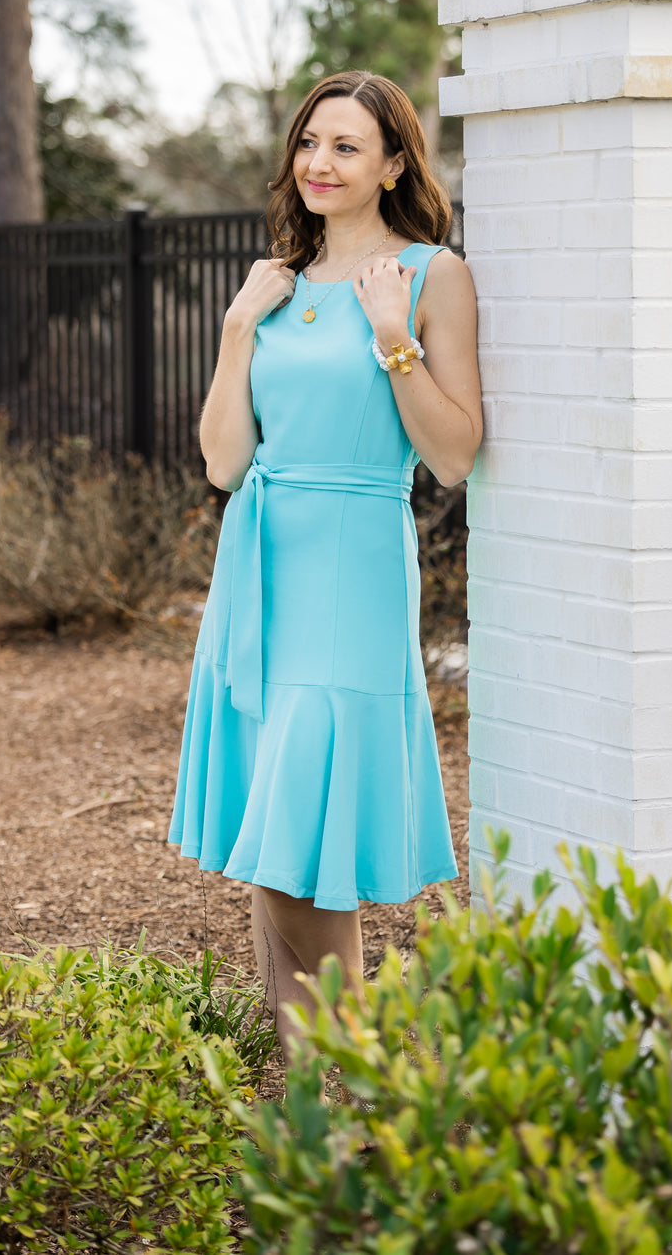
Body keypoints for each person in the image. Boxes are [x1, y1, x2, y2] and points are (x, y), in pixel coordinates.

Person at [168, 69, 482, 1057]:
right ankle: (299, 1089)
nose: (319, 163)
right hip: (259, 563)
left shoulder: (432, 275)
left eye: (346, 146)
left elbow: (452, 453)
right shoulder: (273, 285)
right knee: (273, 842)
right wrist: (232, 330)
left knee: (304, 844)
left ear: (394, 163)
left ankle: (346, 1080)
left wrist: (393, 339)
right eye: (310, 142)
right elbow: (224, 462)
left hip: (350, 569)